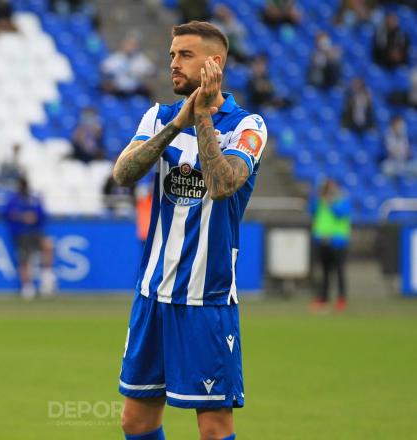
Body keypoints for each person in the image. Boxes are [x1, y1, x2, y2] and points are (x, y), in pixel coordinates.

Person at [112, 21, 268, 440]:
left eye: (184, 55)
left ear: (214, 64)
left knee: (213, 428)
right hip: (152, 295)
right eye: (171, 55)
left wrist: (201, 119)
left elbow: (221, 185)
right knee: (136, 421)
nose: (173, 64)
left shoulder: (247, 126)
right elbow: (123, 174)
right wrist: (178, 122)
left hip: (207, 299)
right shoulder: (159, 116)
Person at [4, 177, 56, 300]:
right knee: (24, 259)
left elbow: (42, 213)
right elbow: (8, 213)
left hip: (35, 231)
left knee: (47, 246)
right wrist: (23, 217)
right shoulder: (13, 200)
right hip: (21, 233)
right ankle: (28, 288)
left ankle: (46, 278)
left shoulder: (34, 199)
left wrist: (33, 217)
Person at [309, 179, 351, 312]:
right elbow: (312, 210)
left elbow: (340, 213)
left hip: (338, 241)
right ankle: (323, 297)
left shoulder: (342, 200)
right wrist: (318, 197)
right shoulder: (320, 201)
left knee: (339, 272)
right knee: (325, 271)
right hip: (322, 240)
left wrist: (330, 202)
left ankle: (341, 298)